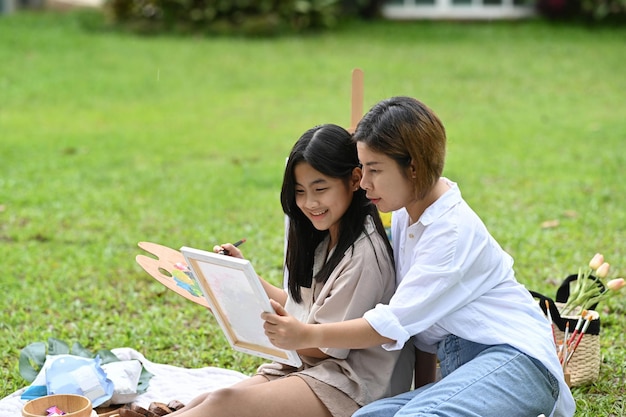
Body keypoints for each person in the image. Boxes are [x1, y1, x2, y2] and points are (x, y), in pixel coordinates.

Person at [262, 97, 576, 417]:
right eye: (362, 168)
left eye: (374, 170)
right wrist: (421, 391)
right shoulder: (406, 213)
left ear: (412, 167)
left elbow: (392, 324)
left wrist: (307, 335)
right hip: (462, 368)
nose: (364, 183)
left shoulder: (450, 232)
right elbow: (418, 332)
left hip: (518, 362)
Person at [143, 124, 413, 417]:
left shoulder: (363, 254)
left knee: (224, 405)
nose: (310, 203)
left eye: (320, 188)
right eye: (300, 192)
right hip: (310, 366)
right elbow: (299, 309)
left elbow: (322, 345)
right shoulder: (327, 238)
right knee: (212, 399)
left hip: (350, 386)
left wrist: (283, 333)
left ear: (354, 179)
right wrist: (242, 279)